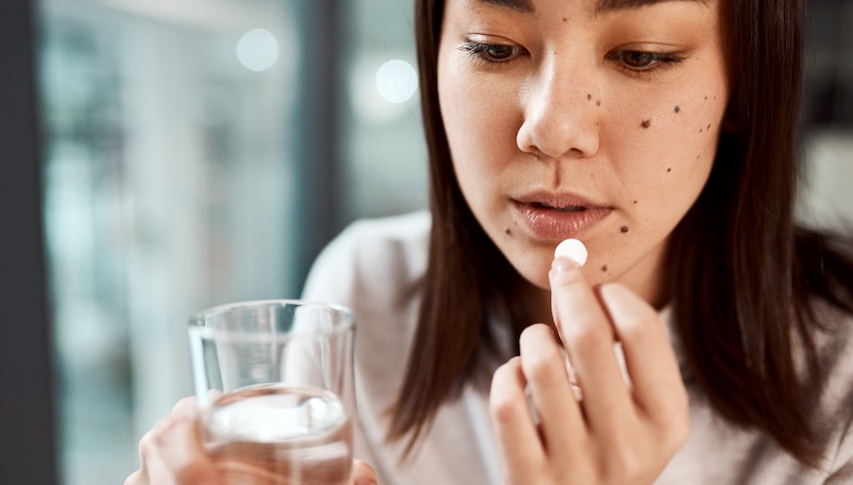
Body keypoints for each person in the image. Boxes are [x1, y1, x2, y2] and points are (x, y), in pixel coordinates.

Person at [127, 0, 853, 483]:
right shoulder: (365, 294)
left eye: (641, 56)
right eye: (493, 46)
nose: (552, 126)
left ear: (744, 84)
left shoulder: (840, 378)